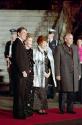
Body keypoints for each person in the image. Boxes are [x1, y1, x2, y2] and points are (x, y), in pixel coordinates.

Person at [55, 33, 81, 114]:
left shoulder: (75, 47)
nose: (72, 39)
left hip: (74, 74)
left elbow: (78, 61)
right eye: (70, 38)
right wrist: (58, 74)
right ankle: (62, 109)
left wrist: (79, 72)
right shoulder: (59, 47)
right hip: (64, 73)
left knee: (72, 92)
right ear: (65, 39)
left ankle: (70, 108)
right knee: (63, 92)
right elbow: (57, 62)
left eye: (72, 38)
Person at [33, 35, 56, 114]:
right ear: (40, 42)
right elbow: (34, 65)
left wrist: (49, 72)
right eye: (44, 42)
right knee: (38, 91)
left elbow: (50, 64)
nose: (46, 44)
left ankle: (43, 107)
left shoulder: (47, 52)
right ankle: (38, 108)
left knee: (44, 91)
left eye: (46, 42)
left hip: (46, 74)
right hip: (38, 74)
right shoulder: (35, 51)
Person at [12, 27, 28, 119]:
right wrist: (23, 70)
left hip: (21, 73)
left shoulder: (20, 43)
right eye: (24, 32)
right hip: (20, 74)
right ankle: (19, 114)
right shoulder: (17, 43)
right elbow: (18, 58)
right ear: (18, 33)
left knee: (20, 94)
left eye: (26, 33)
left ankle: (17, 113)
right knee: (19, 94)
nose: (25, 34)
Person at [24, 33, 34, 116]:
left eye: (31, 40)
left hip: (31, 75)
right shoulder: (22, 50)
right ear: (26, 41)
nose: (31, 42)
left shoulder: (31, 50)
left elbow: (32, 62)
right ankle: (24, 109)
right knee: (25, 92)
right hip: (24, 75)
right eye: (30, 40)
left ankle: (29, 109)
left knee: (30, 92)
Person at [4, 29, 17, 96]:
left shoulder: (17, 43)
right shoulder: (8, 43)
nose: (12, 36)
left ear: (16, 35)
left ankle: (15, 91)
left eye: (14, 34)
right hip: (9, 62)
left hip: (15, 63)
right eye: (11, 34)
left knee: (16, 78)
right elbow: (5, 52)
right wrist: (7, 57)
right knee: (11, 77)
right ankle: (11, 92)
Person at [47, 28, 58, 99]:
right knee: (48, 79)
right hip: (47, 63)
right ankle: (48, 93)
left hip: (53, 63)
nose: (49, 35)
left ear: (53, 35)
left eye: (51, 34)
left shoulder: (56, 42)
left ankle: (53, 94)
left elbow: (57, 53)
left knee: (53, 78)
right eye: (49, 34)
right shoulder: (46, 42)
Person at [77, 36, 82, 103]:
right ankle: (76, 98)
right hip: (77, 66)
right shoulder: (74, 49)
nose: (79, 42)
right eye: (78, 41)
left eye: (80, 41)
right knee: (77, 82)